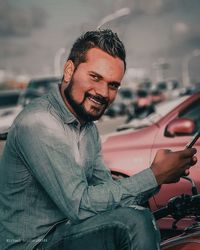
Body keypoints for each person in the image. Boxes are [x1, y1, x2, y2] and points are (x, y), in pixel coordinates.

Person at [0, 29, 197, 250]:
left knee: (140, 216)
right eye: (95, 77)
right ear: (69, 70)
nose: (103, 92)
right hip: (32, 244)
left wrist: (159, 175)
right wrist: (154, 175)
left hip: (68, 232)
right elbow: (81, 206)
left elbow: (107, 197)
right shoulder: (39, 122)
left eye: (113, 85)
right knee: (132, 223)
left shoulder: (88, 129)